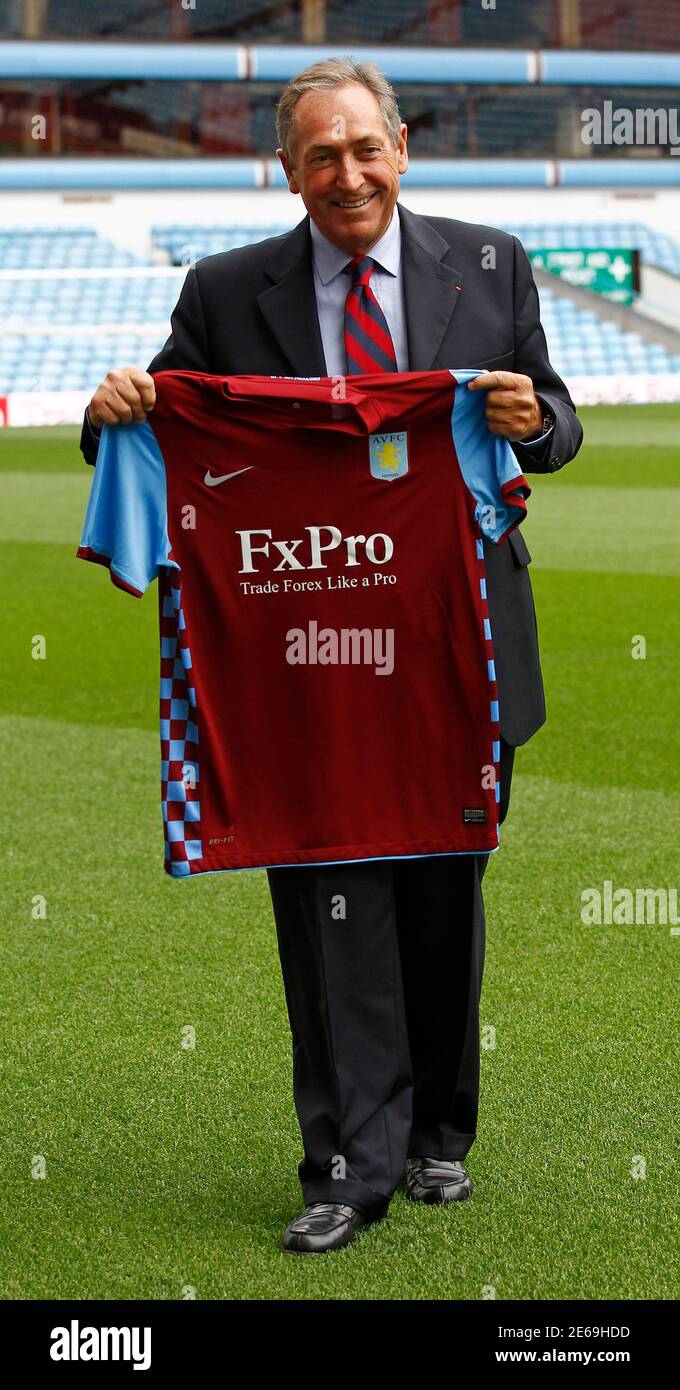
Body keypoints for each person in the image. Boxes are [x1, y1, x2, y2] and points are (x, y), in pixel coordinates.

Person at [80, 56, 583, 1255]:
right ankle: (346, 1161)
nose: (345, 172)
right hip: (301, 657)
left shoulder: (488, 261)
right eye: (320, 154)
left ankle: (438, 1136)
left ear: (400, 147)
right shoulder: (223, 288)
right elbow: (169, 430)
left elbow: (556, 422)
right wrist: (111, 415)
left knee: (440, 893)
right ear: (287, 168)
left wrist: (534, 423)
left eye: (363, 147)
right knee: (324, 897)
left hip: (458, 651)